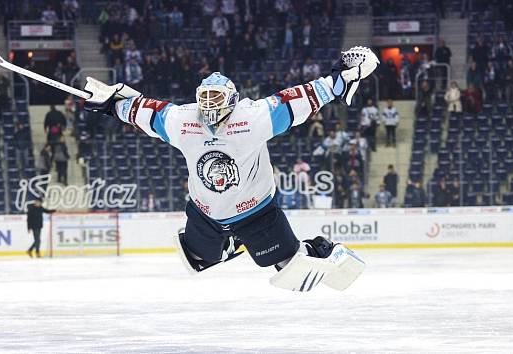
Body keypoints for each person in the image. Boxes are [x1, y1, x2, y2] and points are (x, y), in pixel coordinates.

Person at [83, 46, 380, 292]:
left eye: (216, 98)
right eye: (205, 98)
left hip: (257, 212)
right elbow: (146, 112)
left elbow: (298, 99)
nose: (210, 106)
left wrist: (338, 80)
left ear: (233, 100)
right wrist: (114, 103)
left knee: (291, 273)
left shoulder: (252, 116)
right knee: (196, 260)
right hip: (207, 213)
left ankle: (323, 249)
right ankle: (232, 243)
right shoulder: (183, 121)